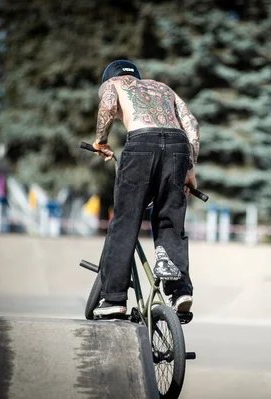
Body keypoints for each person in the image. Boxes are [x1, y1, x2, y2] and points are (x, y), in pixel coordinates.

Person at [92, 59, 200, 319]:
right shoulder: (164, 88)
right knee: (169, 221)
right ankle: (179, 291)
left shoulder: (113, 83)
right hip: (177, 146)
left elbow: (108, 104)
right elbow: (192, 125)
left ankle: (114, 298)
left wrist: (101, 141)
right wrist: (189, 168)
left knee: (125, 222)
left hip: (142, 143)